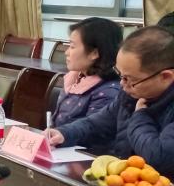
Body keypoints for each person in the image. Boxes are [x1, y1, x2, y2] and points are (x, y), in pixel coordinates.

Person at [47, 27, 174, 176]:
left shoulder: (143, 104)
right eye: (120, 74)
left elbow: (158, 157)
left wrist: (141, 115)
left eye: (130, 79)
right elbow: (97, 123)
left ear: (166, 77)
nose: (122, 84)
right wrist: (64, 134)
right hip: (124, 180)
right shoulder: (130, 94)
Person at [52, 17, 123, 132]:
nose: (66, 52)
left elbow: (92, 133)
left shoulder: (108, 92)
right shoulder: (75, 78)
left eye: (72, 46)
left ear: (94, 53)